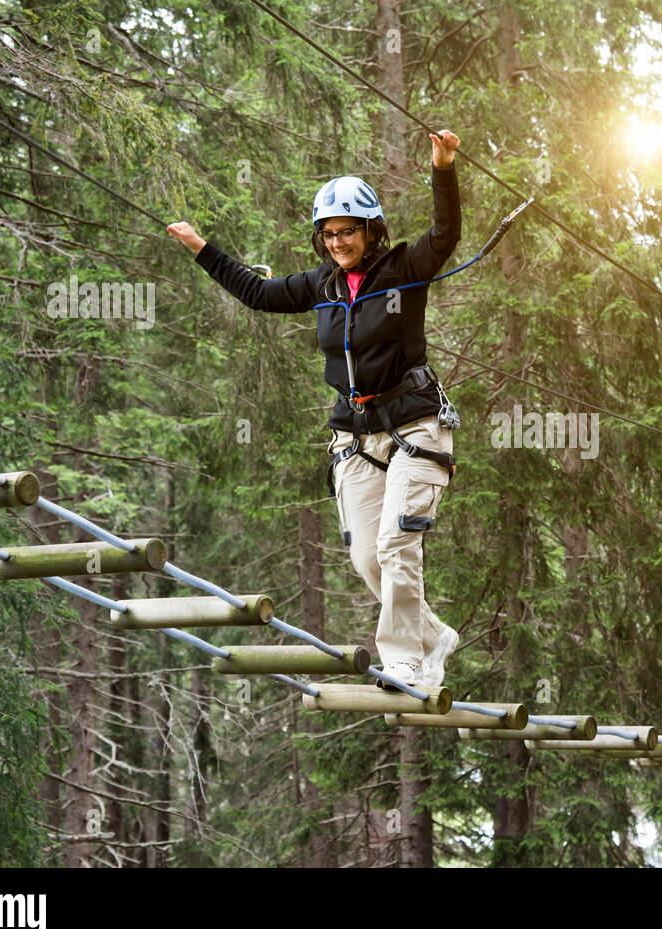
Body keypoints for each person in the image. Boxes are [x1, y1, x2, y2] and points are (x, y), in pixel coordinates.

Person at [167, 130, 464, 692]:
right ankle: (431, 635)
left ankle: (402, 660)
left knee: (397, 543)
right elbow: (258, 293)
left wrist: (443, 168)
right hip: (355, 434)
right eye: (327, 233)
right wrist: (202, 249)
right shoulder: (322, 286)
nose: (337, 242)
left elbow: (446, 234)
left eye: (347, 230)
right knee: (367, 561)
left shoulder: (405, 268)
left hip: (416, 426)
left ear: (371, 229)